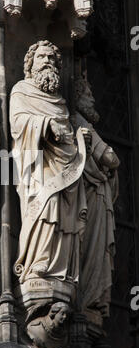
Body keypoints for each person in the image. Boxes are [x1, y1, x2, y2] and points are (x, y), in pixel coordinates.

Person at [10, 40, 87, 284]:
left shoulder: (61, 102)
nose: (47, 62)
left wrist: (78, 138)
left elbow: (66, 131)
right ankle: (37, 261)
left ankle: (60, 266)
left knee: (65, 214)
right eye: (41, 57)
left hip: (65, 163)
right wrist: (45, 125)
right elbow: (17, 123)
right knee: (47, 203)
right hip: (37, 162)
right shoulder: (21, 90)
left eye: (51, 58)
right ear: (30, 64)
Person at [74, 75, 120, 317]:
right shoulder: (79, 120)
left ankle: (92, 300)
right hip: (90, 197)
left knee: (95, 250)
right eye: (87, 94)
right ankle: (91, 298)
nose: (92, 98)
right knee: (92, 249)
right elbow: (111, 158)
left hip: (96, 194)